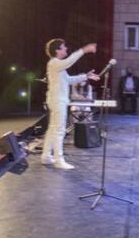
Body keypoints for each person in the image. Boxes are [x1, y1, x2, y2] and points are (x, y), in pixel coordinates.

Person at [41, 39, 100, 169]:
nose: (66, 49)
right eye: (64, 47)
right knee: (59, 130)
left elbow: (68, 80)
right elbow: (69, 62)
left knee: (53, 129)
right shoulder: (55, 63)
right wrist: (84, 50)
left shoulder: (57, 65)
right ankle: (59, 160)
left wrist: (86, 76)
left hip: (57, 100)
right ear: (57, 51)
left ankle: (46, 156)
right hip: (57, 100)